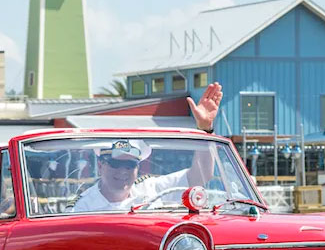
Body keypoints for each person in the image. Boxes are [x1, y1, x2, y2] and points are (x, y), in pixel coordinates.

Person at [72, 82, 222, 212]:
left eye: (130, 165)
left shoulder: (152, 189)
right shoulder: (82, 207)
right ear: (100, 165)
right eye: (115, 163)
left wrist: (205, 129)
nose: (123, 171)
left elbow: (200, 175)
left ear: (138, 168)